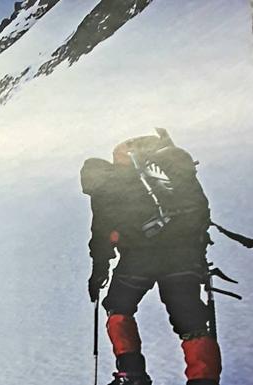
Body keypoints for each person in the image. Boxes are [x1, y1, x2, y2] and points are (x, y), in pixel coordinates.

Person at [81, 130, 221, 385]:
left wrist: (98, 270)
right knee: (191, 319)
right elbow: (200, 211)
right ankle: (204, 379)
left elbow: (101, 233)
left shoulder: (108, 184)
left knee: (118, 308)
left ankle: (132, 374)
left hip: (137, 260)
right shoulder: (168, 176)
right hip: (183, 255)